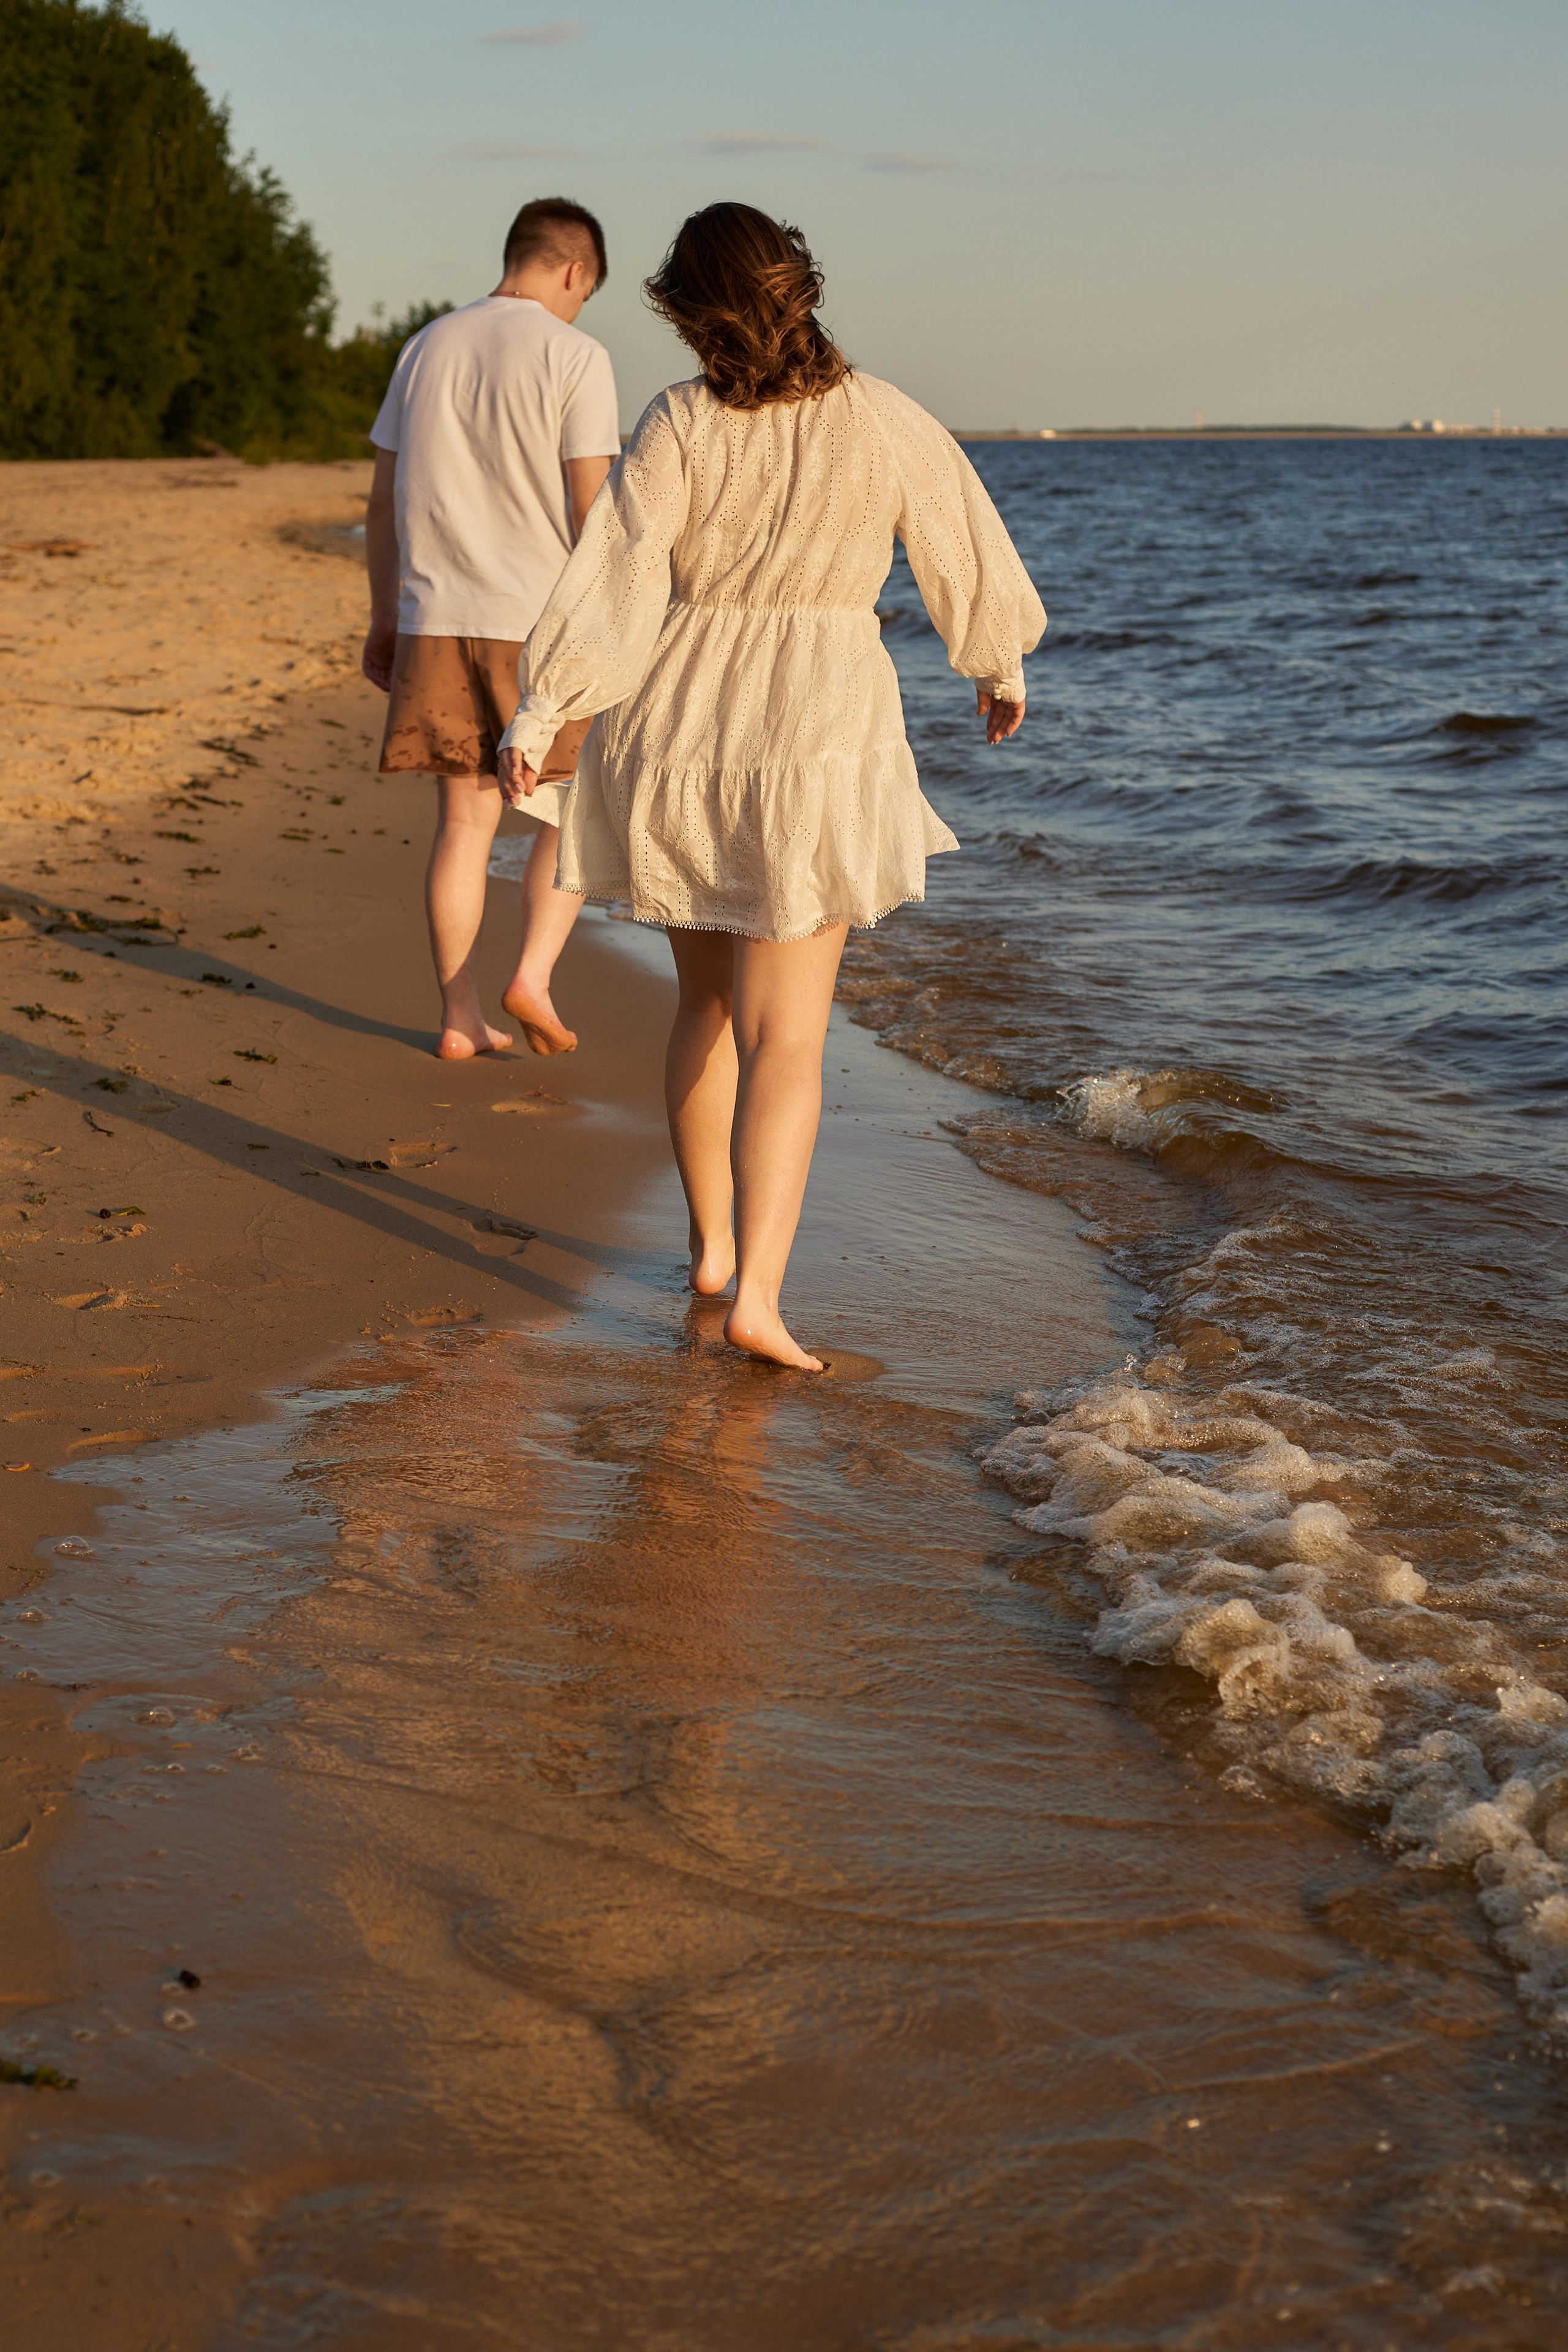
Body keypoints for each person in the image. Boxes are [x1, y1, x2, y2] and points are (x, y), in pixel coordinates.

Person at [498, 203, 1044, 1370]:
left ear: (692, 311)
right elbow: (964, 545)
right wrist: (995, 662)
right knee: (788, 1033)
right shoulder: (886, 419)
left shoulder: (680, 423)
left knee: (704, 1007)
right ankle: (758, 1295)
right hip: (815, 727)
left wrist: (546, 709)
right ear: (801, 291)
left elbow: (617, 576)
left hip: (681, 721)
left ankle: (709, 1257)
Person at [362, 197, 622, 1060]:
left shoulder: (425, 346)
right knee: (568, 813)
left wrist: (383, 614)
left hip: (435, 614)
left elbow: (384, 499)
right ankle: (533, 978)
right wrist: (618, 622)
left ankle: (458, 1017)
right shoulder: (577, 356)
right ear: (574, 270)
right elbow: (592, 505)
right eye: (584, 292)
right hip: (539, 622)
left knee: (462, 828)